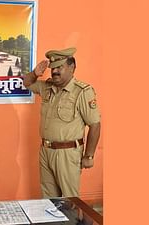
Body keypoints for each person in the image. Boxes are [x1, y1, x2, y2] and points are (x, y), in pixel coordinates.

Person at [23, 47, 101, 198]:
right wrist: (34, 73)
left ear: (71, 67)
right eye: (53, 68)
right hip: (46, 151)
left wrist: (89, 155)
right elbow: (26, 83)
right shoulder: (47, 87)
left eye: (60, 67)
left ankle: (74, 222)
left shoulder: (82, 92)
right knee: (48, 199)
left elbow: (95, 125)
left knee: (69, 199)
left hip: (67, 153)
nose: (55, 71)